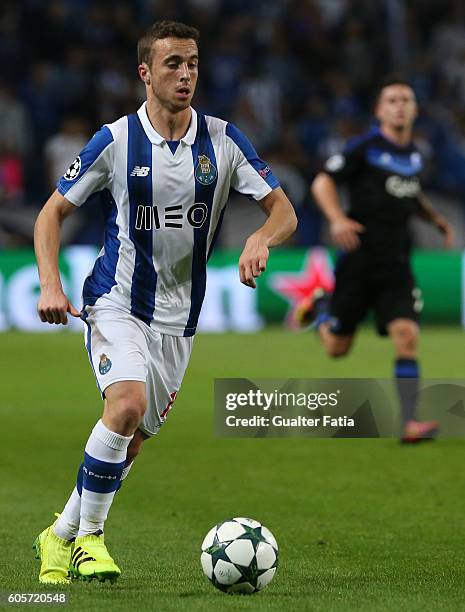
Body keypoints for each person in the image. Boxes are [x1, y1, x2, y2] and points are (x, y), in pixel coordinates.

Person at [33, 20, 297, 585]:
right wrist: (50, 283)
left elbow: (284, 211)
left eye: (194, 63)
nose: (186, 74)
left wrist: (259, 237)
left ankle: (56, 535)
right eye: (173, 63)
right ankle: (89, 541)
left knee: (127, 445)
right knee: (125, 406)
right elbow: (50, 213)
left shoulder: (223, 140)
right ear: (145, 73)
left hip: (180, 320)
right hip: (116, 301)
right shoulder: (116, 140)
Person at [296, 75, 454, 443]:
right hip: (359, 260)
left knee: (407, 334)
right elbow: (322, 181)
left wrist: (434, 219)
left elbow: (409, 195)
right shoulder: (364, 147)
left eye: (406, 100)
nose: (400, 105)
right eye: (393, 100)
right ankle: (322, 307)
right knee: (337, 348)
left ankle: (410, 423)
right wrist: (336, 219)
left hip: (397, 263)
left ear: (415, 109)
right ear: (380, 110)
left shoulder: (415, 154)